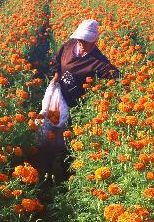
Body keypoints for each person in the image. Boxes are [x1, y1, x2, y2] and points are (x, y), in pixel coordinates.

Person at [39, 19, 118, 175]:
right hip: (59, 97)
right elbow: (57, 61)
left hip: (77, 105)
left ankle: (63, 169)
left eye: (86, 40)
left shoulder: (98, 60)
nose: (82, 42)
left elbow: (115, 76)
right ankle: (46, 162)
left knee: (68, 138)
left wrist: (101, 91)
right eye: (80, 39)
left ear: (94, 40)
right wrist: (56, 76)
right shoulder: (68, 46)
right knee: (49, 129)